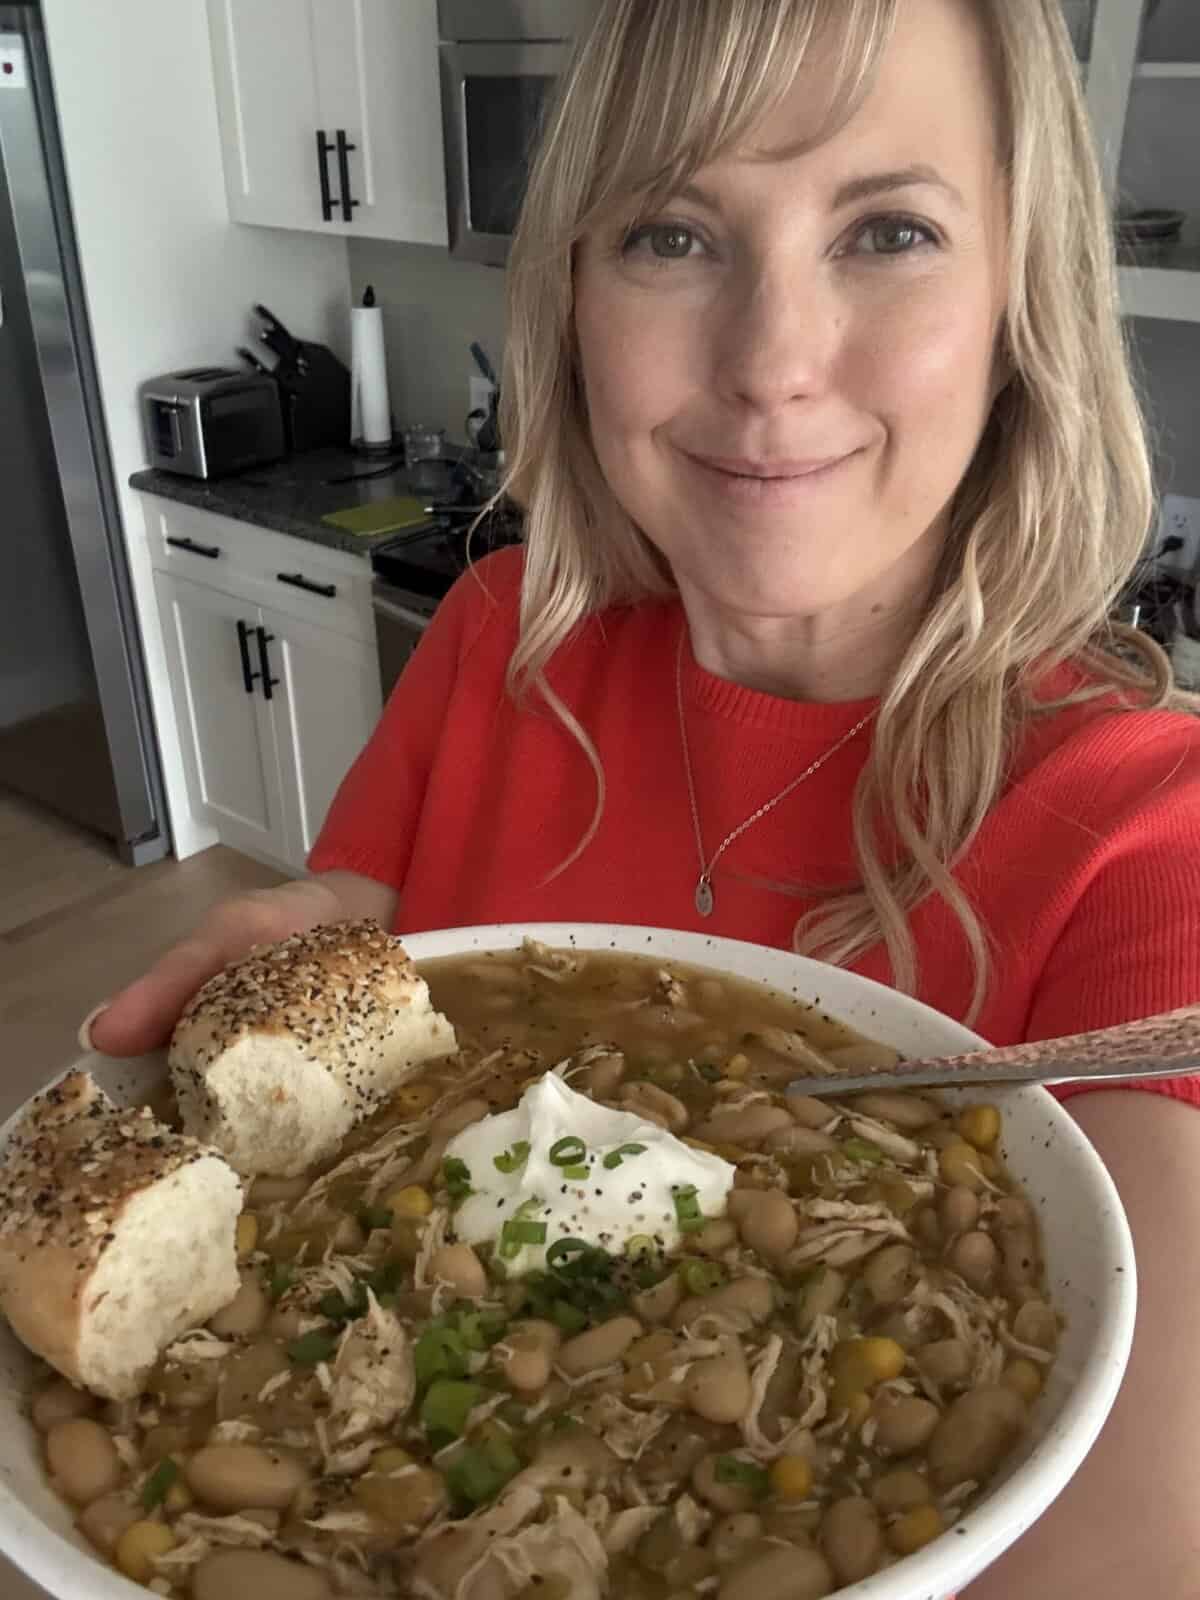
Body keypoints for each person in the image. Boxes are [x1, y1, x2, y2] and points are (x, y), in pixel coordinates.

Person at [87, 0, 1200, 1588]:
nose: (772, 366)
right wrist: (291, 947)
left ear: (1024, 294)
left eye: (889, 229)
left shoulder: (1155, 831)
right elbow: (376, 923)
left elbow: (1120, 1557)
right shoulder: (495, 636)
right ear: (575, 298)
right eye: (674, 235)